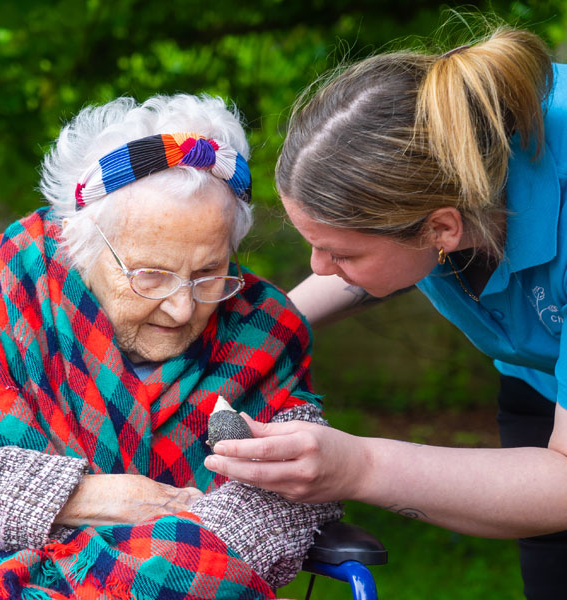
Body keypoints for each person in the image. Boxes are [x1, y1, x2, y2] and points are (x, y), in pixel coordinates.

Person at [0, 94, 342, 599]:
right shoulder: (5, 287)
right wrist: (90, 498)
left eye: (208, 274)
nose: (180, 309)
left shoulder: (263, 328)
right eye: (150, 275)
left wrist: (130, 570)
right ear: (81, 246)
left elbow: (289, 497)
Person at [204, 23, 567, 600]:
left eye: (342, 252)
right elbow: (383, 265)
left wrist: (358, 467)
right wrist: (265, 331)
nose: (319, 268)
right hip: (536, 379)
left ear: (443, 227)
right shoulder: (439, 168)